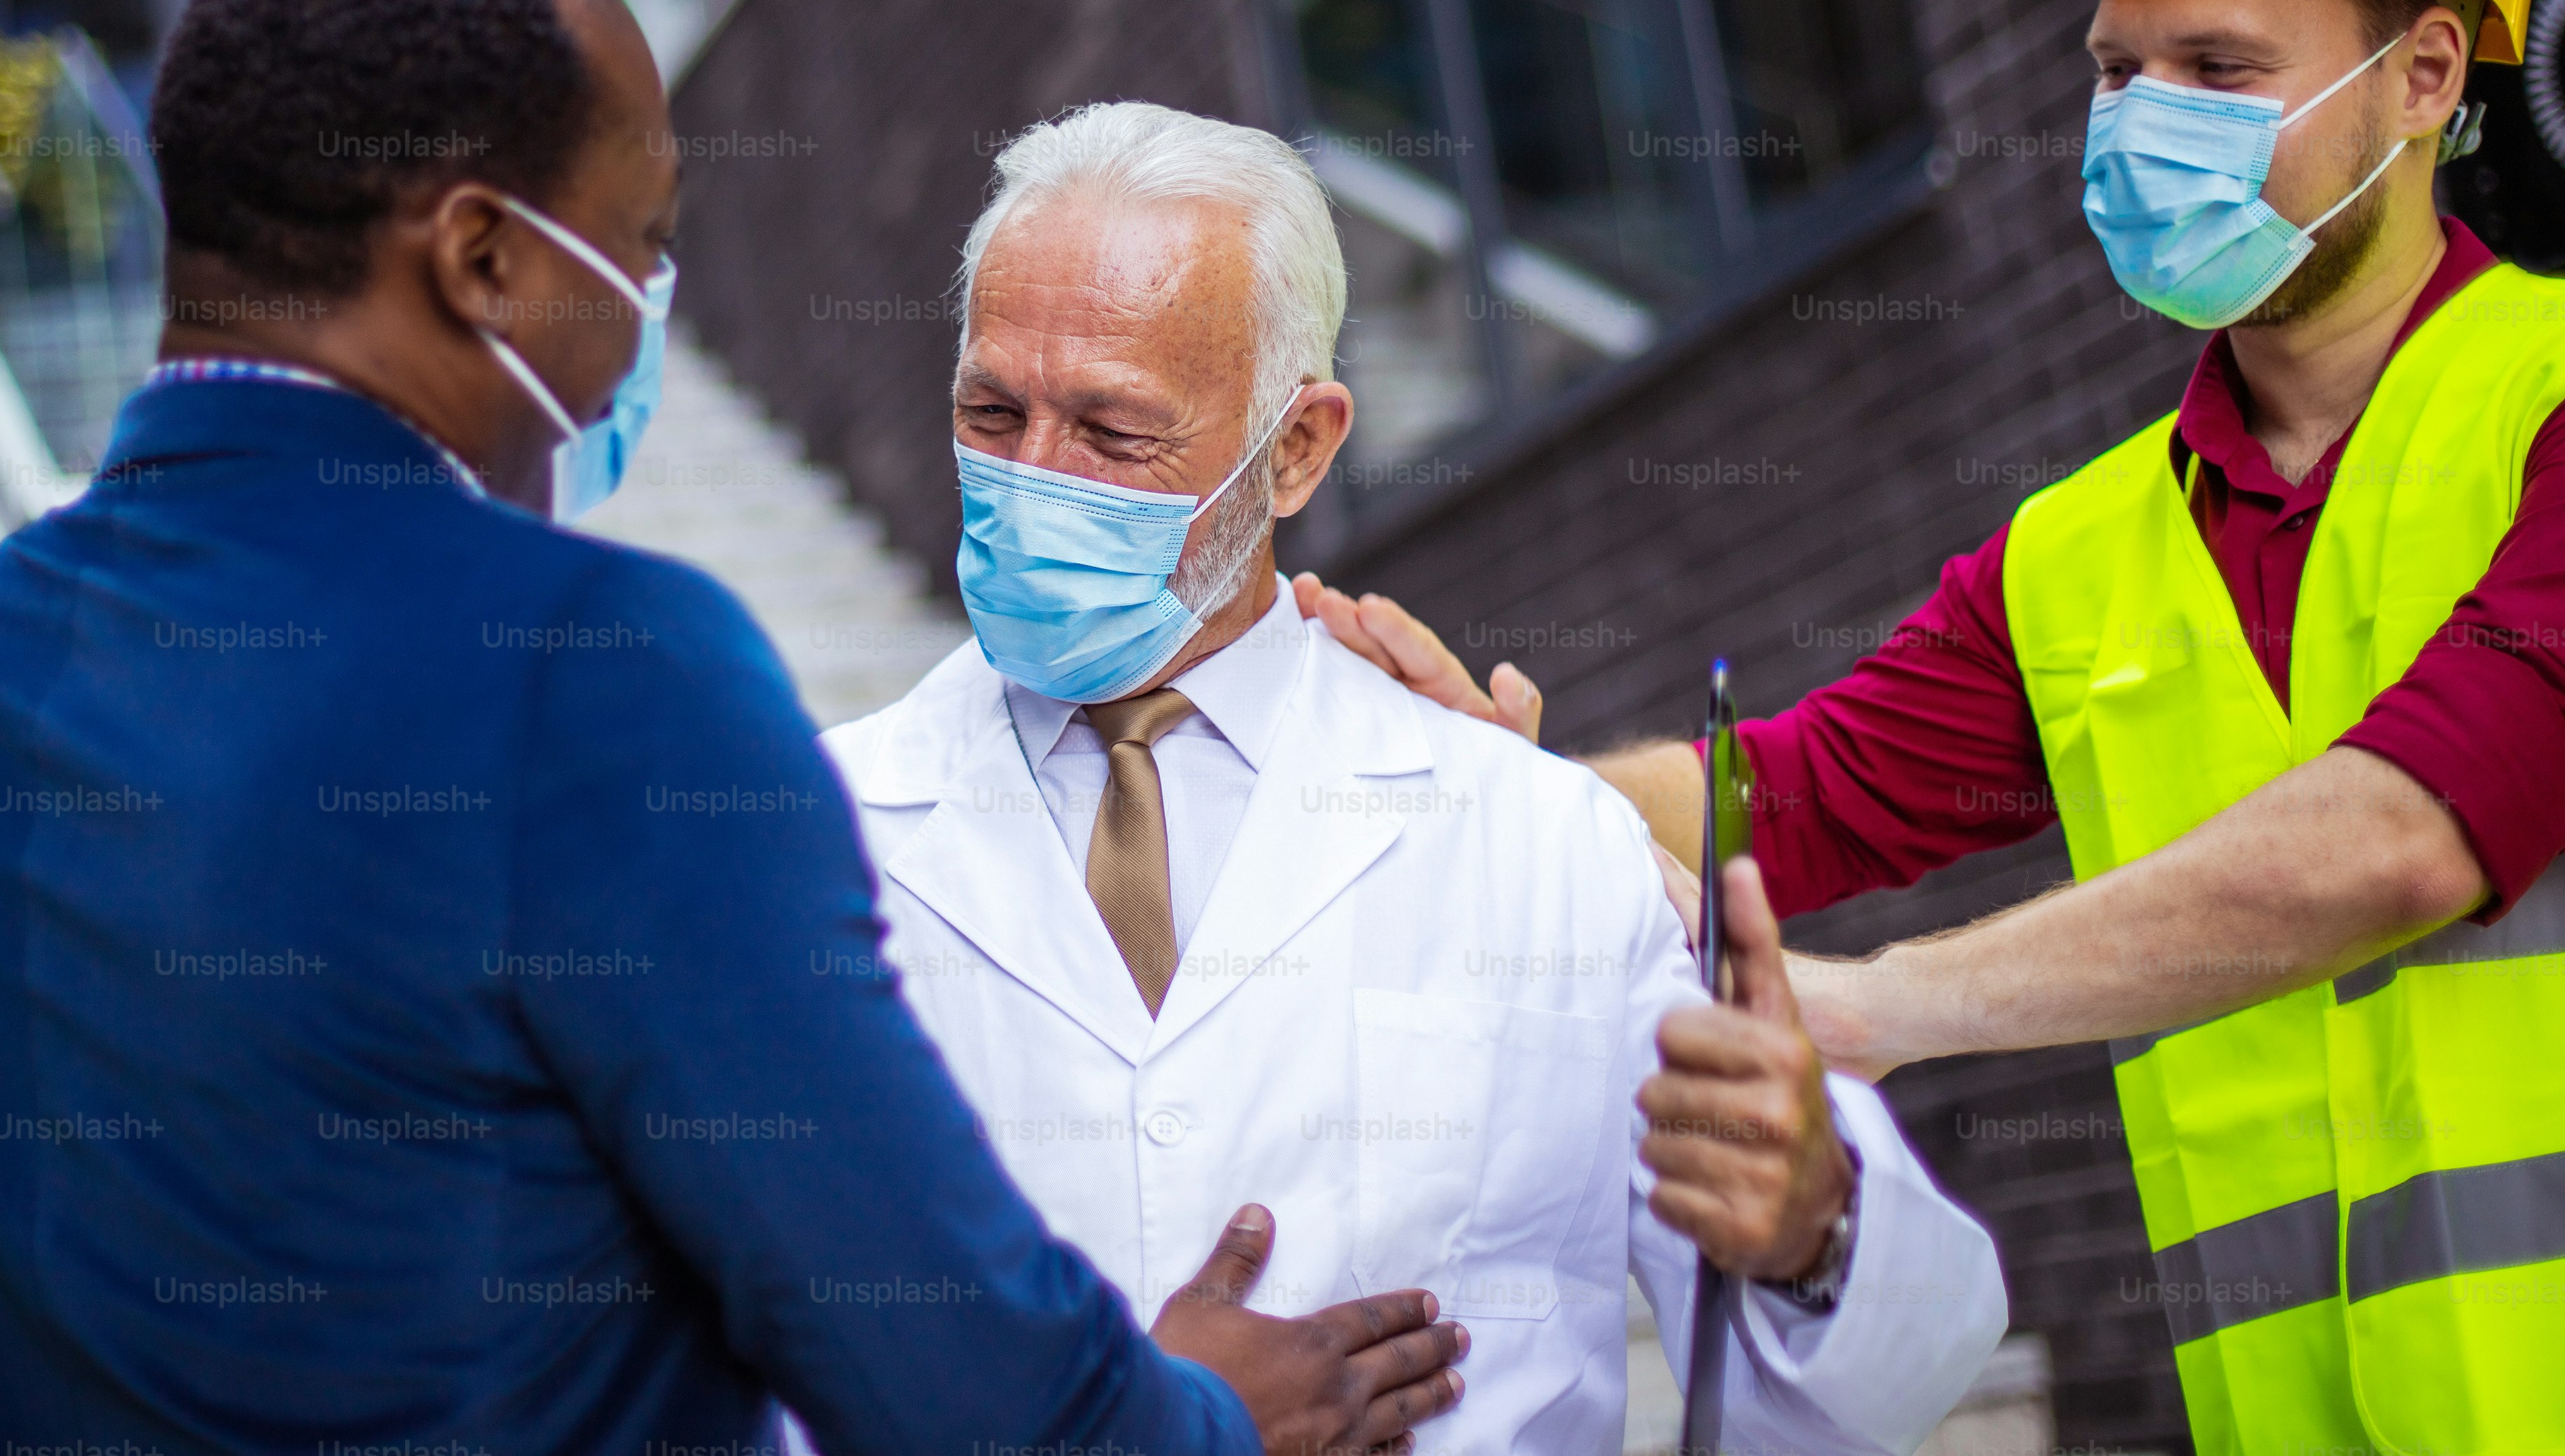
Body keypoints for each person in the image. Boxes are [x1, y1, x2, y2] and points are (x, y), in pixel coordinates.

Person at [0, 0, 1467, 1453]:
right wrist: (1207, 1421)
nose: (651, 302)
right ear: (483, 256)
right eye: (639, 244)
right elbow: (943, 1381)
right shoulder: (584, 677)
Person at [1302, 0, 2565, 1456]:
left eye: (2216, 69)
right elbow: (1776, 802)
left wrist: (1877, 1007)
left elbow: (2410, 832)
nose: (2137, 128)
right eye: (2117, 72)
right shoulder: (2079, 554)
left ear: (2423, 78)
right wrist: (1490, 802)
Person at [802, 102, 2007, 1456]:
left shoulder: (1535, 842)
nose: (1032, 477)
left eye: (1112, 430)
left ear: (1301, 448)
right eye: (992, 410)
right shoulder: (796, 851)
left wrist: (1813, 1233)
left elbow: (1847, 1399)